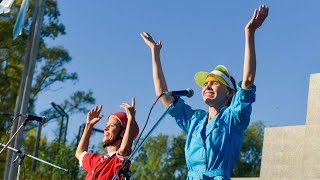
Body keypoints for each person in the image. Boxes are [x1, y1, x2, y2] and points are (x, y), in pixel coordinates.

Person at [141, 5, 269, 180]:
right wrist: (155, 53)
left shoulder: (233, 118)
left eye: (215, 83)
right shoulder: (195, 120)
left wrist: (250, 32)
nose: (208, 86)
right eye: (206, 83)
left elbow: (247, 81)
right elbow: (163, 95)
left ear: (230, 93)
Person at [75, 98, 139, 180]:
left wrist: (131, 119)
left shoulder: (118, 160)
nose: (105, 128)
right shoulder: (97, 160)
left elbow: (124, 150)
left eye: (112, 126)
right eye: (106, 125)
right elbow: (79, 153)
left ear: (123, 133)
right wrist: (89, 125)